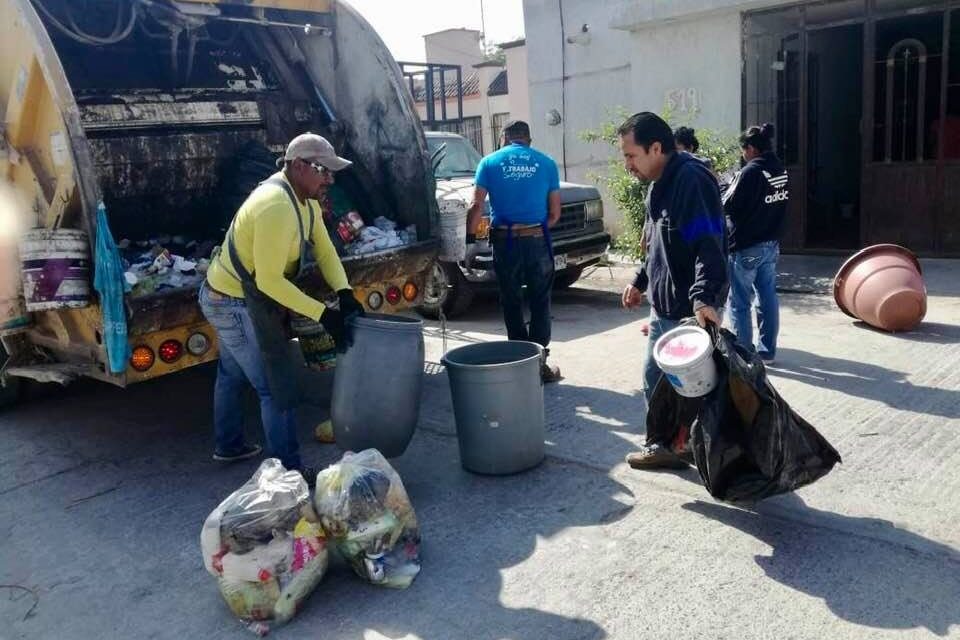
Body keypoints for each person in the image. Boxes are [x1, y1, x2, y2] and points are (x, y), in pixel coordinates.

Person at [200, 133, 365, 476]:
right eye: (324, 171)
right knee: (274, 386)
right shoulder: (276, 205)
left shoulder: (305, 201)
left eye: (332, 172)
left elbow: (324, 248)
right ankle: (289, 471)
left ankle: (228, 446)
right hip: (229, 300)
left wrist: (345, 293)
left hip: (235, 294)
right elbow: (269, 282)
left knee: (231, 373)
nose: (329, 179)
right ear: (300, 166)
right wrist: (324, 315)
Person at [618, 113, 728, 469]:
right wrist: (640, 280)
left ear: (656, 148)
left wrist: (704, 298)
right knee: (655, 377)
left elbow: (709, 244)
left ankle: (686, 445)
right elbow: (656, 246)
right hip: (663, 304)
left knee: (691, 386)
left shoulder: (690, 182)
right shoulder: (657, 186)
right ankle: (669, 444)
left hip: (688, 307)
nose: (627, 165)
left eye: (631, 156)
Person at [467, 120, 562, 382]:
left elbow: (476, 207)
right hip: (536, 240)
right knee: (540, 300)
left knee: (510, 300)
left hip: (504, 242)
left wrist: (469, 242)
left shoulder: (488, 162)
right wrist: (537, 228)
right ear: (528, 140)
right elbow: (555, 213)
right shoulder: (546, 163)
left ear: (503, 139)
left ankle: (520, 362)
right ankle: (540, 363)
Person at [722, 123, 788, 365]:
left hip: (747, 246)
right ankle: (767, 351)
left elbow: (726, 204)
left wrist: (724, 185)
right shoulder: (780, 169)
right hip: (771, 244)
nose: (742, 154)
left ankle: (744, 353)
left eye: (743, 150)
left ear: (750, 148)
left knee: (739, 301)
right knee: (767, 295)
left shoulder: (749, 173)